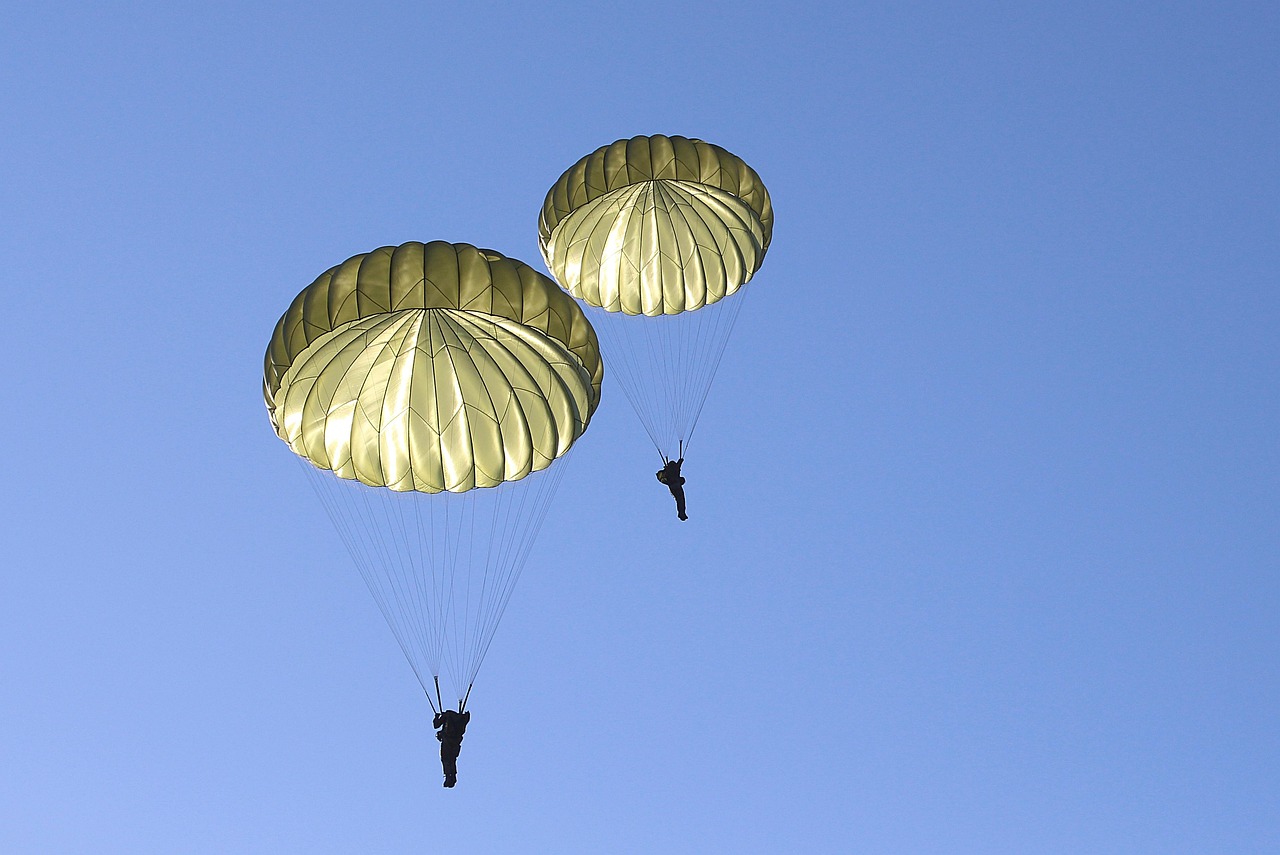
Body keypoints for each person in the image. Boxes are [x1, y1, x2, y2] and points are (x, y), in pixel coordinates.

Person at [433, 709, 471, 788]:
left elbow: (436, 725)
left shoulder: (447, 715)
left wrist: (436, 717)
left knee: (446, 759)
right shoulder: (460, 718)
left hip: (447, 742)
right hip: (456, 742)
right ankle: (452, 776)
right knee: (452, 759)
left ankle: (448, 776)